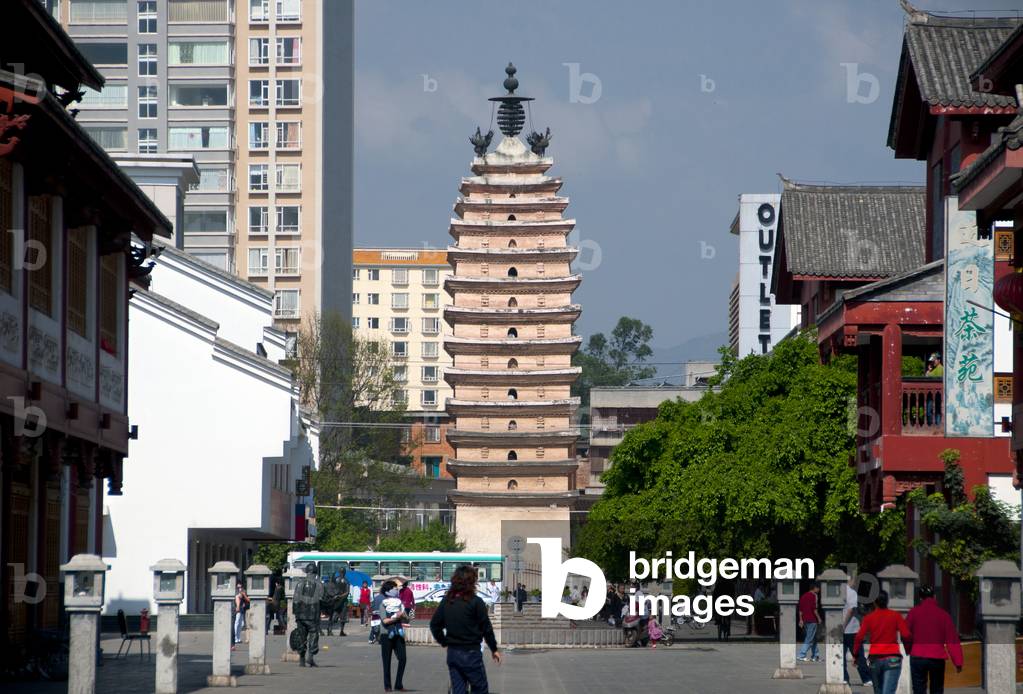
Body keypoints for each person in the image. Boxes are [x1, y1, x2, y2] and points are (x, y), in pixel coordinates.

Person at [430, 565, 502, 694]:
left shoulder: (447, 601)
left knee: (458, 689)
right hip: (471, 653)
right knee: (480, 688)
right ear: (472, 582)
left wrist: (444, 641)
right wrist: (494, 649)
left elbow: (435, 625)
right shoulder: (476, 602)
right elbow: (486, 628)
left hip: (453, 653)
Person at [906, 585, 963, 694]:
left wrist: (909, 648)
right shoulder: (943, 615)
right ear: (934, 597)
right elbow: (952, 640)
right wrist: (958, 661)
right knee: (937, 688)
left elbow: (906, 634)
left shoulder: (913, 613)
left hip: (918, 655)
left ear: (920, 598)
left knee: (918, 689)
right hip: (937, 657)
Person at [854, 590, 913, 694]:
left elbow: (858, 637)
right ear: (887, 601)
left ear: (874, 603)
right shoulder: (895, 616)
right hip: (893, 657)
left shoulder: (868, 618)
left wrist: (855, 655)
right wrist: (908, 650)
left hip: (875, 659)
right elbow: (906, 635)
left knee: (878, 691)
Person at [292, 562, 324, 667]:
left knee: (301, 635)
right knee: (313, 634)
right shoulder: (319, 584)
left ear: (306, 571)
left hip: (301, 615)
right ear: (315, 572)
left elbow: (295, 600)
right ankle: (310, 656)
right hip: (313, 614)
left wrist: (296, 613)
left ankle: (301, 659)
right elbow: (321, 599)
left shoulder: (300, 583)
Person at [379, 579, 408, 692]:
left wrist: (405, 615)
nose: (397, 590)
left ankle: (398, 684)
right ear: (388, 591)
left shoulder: (399, 602)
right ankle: (387, 685)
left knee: (403, 658)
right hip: (386, 635)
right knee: (387, 661)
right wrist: (396, 617)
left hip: (398, 633)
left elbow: (406, 618)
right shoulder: (383, 604)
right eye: (395, 588)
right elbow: (385, 621)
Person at [843, 576, 872, 687]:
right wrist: (844, 624)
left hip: (839, 630)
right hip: (852, 629)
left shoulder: (838, 592)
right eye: (853, 580)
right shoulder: (852, 593)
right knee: (858, 655)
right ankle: (866, 679)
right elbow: (851, 610)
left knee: (841, 656)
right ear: (849, 581)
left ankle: (844, 678)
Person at [797, 584, 821, 662]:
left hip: (805, 620)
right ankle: (801, 654)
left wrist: (801, 620)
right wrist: (819, 618)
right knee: (809, 638)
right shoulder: (814, 596)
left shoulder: (803, 596)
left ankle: (815, 655)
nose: (819, 590)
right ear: (814, 588)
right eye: (818, 588)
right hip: (812, 619)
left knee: (813, 638)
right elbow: (814, 609)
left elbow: (800, 610)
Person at [325, 569, 350, 636]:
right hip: (343, 600)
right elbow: (347, 592)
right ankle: (341, 631)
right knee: (343, 616)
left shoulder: (335, 579)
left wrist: (334, 595)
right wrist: (340, 595)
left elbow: (330, 588)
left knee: (334, 614)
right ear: (344, 572)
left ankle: (329, 629)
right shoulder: (346, 581)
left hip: (335, 599)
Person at [233, 581, 249, 647]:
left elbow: (246, 600)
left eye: (240, 587)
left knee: (240, 624)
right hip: (238, 610)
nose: (240, 588)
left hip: (242, 609)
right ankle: (235, 638)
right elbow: (237, 600)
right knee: (237, 623)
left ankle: (238, 638)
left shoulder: (243, 592)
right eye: (238, 587)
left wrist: (243, 595)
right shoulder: (236, 593)